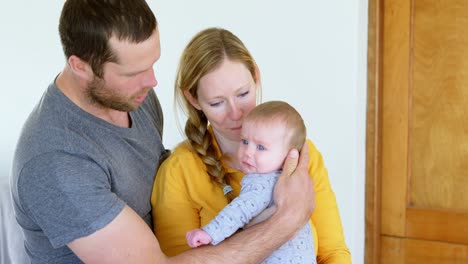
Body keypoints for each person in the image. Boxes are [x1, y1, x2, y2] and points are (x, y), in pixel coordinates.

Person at [10, 1, 315, 263]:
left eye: (153, 63)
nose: (153, 81)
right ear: (81, 67)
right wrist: (288, 219)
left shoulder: (134, 99)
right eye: (134, 73)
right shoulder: (55, 161)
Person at [151, 27, 351, 263]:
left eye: (243, 94)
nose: (236, 113)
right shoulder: (179, 172)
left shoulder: (301, 156)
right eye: (217, 103)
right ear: (193, 99)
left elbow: (333, 253)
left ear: (256, 77)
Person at [186, 101, 316, 263]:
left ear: (289, 155)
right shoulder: (293, 183)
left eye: (261, 147)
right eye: (245, 142)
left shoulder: (263, 182)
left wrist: (209, 233)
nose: (248, 152)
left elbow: (240, 210)